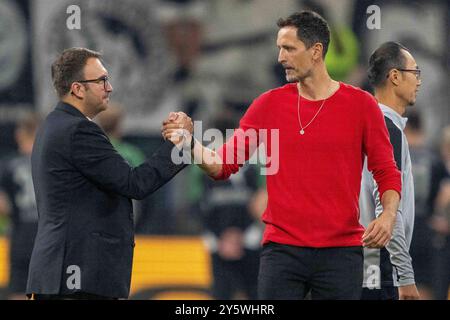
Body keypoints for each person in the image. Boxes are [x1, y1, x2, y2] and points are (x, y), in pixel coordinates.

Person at [163, 11, 401, 300]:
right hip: (282, 252)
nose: (280, 57)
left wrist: (388, 216)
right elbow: (222, 165)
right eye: (279, 48)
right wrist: (188, 142)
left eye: (289, 48)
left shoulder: (361, 105)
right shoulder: (268, 105)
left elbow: (386, 170)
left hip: (341, 252)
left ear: (316, 51)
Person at [26, 47, 192, 300]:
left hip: (61, 275)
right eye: (101, 80)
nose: (110, 87)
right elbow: (134, 183)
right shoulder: (78, 130)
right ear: (77, 89)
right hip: (79, 278)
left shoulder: (53, 125)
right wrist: (179, 144)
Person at [359, 42, 421, 300]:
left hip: (364, 262)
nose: (419, 81)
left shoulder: (368, 124)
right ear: (395, 76)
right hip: (378, 261)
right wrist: (405, 277)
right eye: (415, 72)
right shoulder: (387, 129)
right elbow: (387, 208)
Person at [0, 113, 41, 299]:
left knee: (18, 290)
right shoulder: (50, 162)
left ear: (19, 135)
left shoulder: (8, 165)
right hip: (48, 235)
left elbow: (3, 206)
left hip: (21, 234)